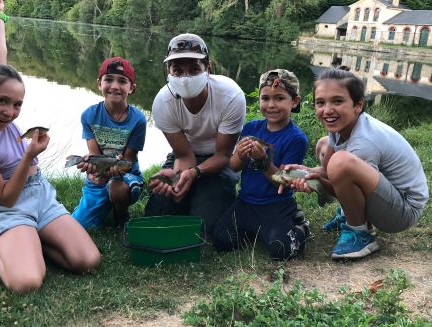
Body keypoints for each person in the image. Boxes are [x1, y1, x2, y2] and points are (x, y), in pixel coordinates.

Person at [0, 0, 100, 294]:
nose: (10, 112)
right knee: (27, 282)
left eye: (17, 104)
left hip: (40, 196)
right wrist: (28, 155)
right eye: (2, 102)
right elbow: (6, 196)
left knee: (88, 260)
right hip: (8, 208)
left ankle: (32, 239)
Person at [286, 68, 429, 259]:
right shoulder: (340, 126)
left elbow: (338, 179)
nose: (327, 110)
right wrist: (305, 171)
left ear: (358, 104)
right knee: (323, 145)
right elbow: (326, 170)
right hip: (387, 194)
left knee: (341, 162)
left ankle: (359, 232)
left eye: (337, 101)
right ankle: (350, 213)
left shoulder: (364, 141)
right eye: (320, 102)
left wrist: (316, 183)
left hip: (403, 212)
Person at [144, 33, 246, 236]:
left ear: (209, 68)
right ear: (168, 71)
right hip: (187, 153)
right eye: (178, 70)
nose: (185, 77)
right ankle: (187, 197)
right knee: (157, 214)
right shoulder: (162, 103)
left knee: (208, 226)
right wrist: (178, 179)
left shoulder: (231, 96)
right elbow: (184, 156)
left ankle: (208, 196)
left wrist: (195, 173)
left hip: (219, 158)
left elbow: (224, 155)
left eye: (194, 69)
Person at [212, 69, 310, 260]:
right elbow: (233, 166)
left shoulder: (297, 139)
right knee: (222, 240)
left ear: (295, 101)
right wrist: (240, 155)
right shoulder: (250, 128)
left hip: (276, 204)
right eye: (265, 98)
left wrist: (262, 161)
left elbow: (283, 182)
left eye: (279, 98)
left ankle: (301, 227)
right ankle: (260, 231)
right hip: (246, 202)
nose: (271, 105)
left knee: (281, 250)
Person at [71, 57, 147, 229]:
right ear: (99, 83)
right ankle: (101, 205)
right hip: (99, 174)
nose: (114, 86)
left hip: (125, 176)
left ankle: (120, 212)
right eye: (108, 79)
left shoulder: (139, 120)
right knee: (80, 225)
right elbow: (94, 155)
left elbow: (128, 161)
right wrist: (92, 168)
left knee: (116, 188)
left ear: (131, 88)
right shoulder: (89, 115)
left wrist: (115, 168)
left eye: (122, 81)